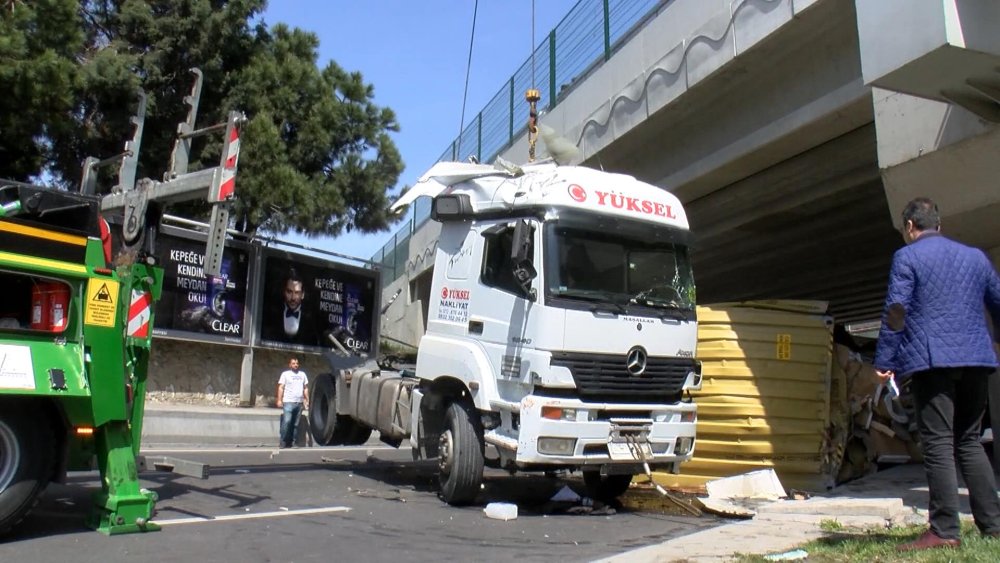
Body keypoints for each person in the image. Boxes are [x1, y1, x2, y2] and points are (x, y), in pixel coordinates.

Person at [873, 197, 1000, 551]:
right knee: (970, 441)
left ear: (910, 228)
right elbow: (999, 300)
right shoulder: (975, 256)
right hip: (977, 359)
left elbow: (896, 310)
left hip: (933, 362)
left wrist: (885, 360)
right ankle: (994, 525)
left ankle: (944, 531)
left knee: (940, 443)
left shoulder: (908, 257)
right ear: (939, 226)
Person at [261, 267, 318, 346]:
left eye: (297, 293)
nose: (293, 298)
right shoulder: (272, 314)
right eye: (289, 292)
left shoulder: (310, 320)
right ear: (284, 291)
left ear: (303, 295)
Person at [276, 357, 309, 448]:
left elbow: (305, 388)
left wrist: (307, 400)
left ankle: (293, 442)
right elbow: (281, 387)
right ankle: (283, 441)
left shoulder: (302, 374)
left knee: (295, 424)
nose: (295, 365)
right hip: (288, 402)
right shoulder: (285, 374)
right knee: (287, 422)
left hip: (299, 403)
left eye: (297, 363)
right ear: (290, 365)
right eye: (293, 363)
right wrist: (279, 400)